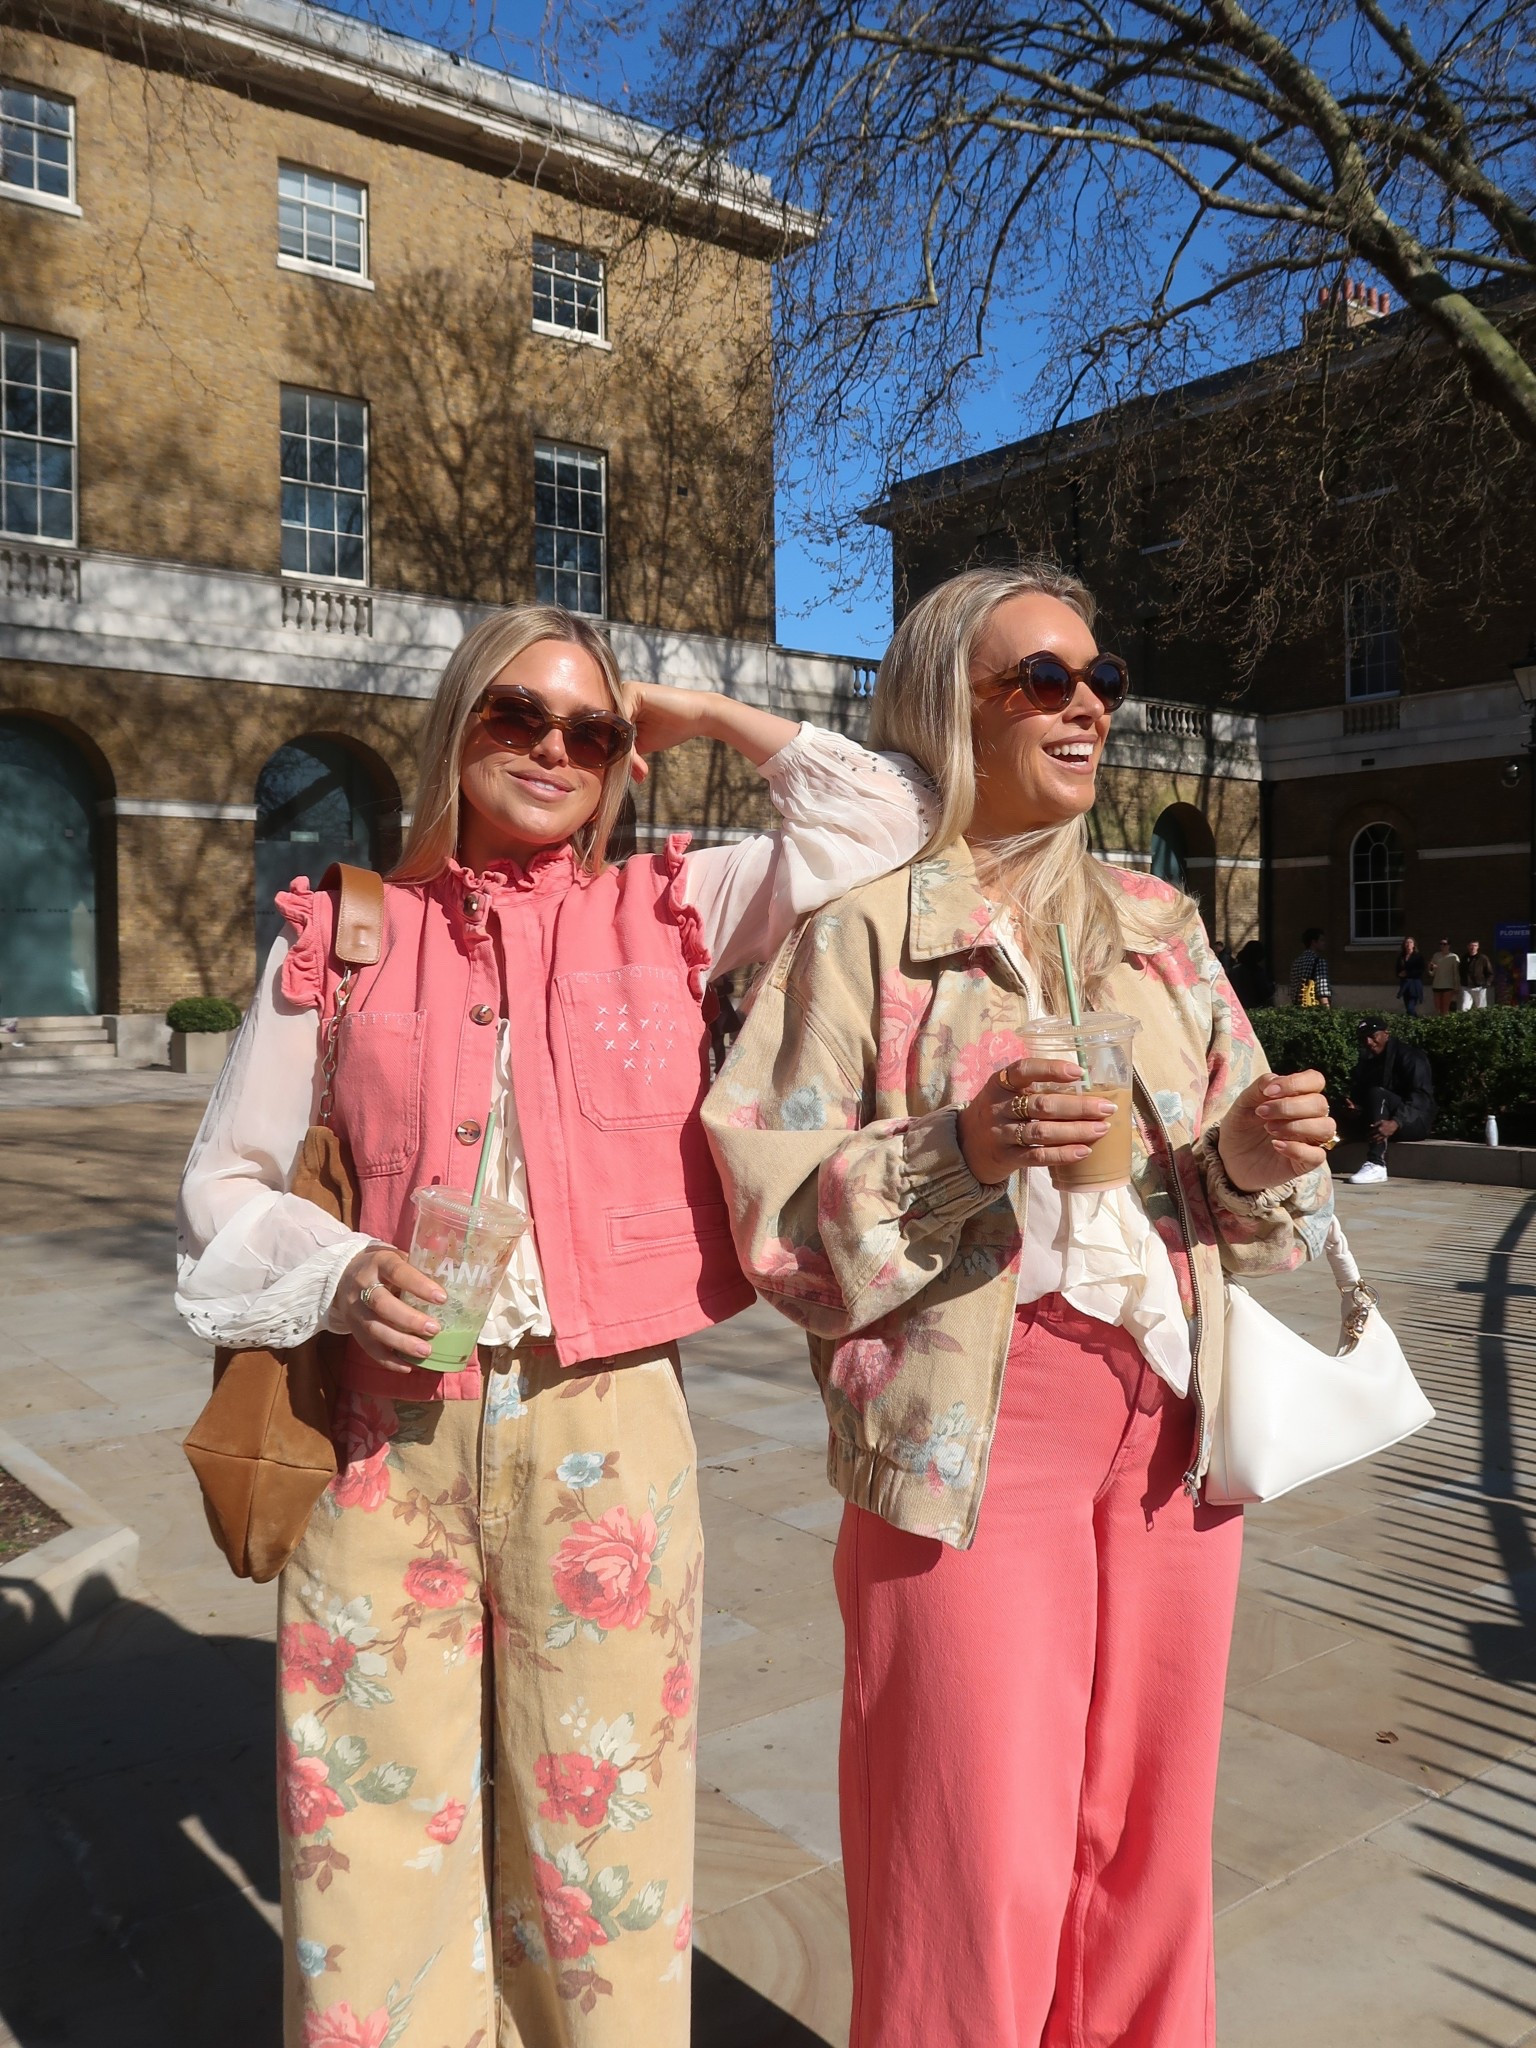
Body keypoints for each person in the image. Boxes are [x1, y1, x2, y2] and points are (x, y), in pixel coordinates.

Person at [174, 604, 936, 2048]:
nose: (553, 749)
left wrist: (697, 715)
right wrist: (340, 1272)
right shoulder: (343, 931)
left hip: (608, 1428)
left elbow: (888, 824)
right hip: (379, 1437)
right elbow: (222, 1182)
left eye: (588, 732)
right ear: (456, 727)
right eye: (514, 713)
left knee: (607, 1849)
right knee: (371, 1841)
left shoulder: (672, 901)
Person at [705, 563, 1336, 2048]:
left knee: (1150, 1844)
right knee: (970, 1855)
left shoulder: (1159, 924)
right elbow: (773, 1229)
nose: (1089, 706)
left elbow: (1254, 1207)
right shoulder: (862, 936)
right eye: (1041, 680)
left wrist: (1250, 1159)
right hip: (971, 1439)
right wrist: (961, 1152)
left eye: (1100, 678)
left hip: (1176, 1425)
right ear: (951, 709)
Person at [1341, 1015, 1436, 1184]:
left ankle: (1377, 1164)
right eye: (1364, 1038)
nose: (1369, 1042)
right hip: (1383, 1120)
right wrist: (1356, 1109)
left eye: (1373, 1036)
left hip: (1414, 1121)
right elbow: (1364, 1095)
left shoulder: (1411, 1057)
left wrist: (1396, 1122)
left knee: (1378, 1093)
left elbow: (1421, 1098)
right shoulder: (1367, 1061)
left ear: (1386, 1034)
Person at [1289, 925, 1331, 1007]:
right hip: (1313, 1006)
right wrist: (1327, 1009)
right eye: (1322, 940)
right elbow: (1322, 990)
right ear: (1313, 942)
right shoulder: (1319, 961)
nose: (1324, 943)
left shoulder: (1297, 961)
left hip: (1297, 1006)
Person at [1230, 937, 1275, 1011]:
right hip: (1255, 1009)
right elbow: (1266, 992)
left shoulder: (1234, 970)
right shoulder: (1257, 971)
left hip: (1237, 1008)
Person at [1395, 935, 1426, 1018]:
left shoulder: (1418, 957)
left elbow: (1421, 970)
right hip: (1405, 984)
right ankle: (1411, 1023)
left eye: (1410, 942)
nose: (1408, 944)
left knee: (1410, 1008)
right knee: (1407, 1006)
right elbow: (1397, 969)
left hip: (1414, 984)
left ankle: (1416, 1020)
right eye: (1407, 942)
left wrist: (1408, 973)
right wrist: (1399, 974)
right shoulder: (1401, 957)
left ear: (1414, 945)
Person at [1429, 936, 1461, 1014]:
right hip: (1437, 984)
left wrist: (1456, 986)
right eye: (1441, 944)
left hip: (1448, 985)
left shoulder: (1454, 957)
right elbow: (1432, 973)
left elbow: (1456, 972)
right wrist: (1431, 967)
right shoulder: (1436, 955)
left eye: (1444, 944)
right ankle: (1438, 1023)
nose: (1442, 946)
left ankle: (1445, 1024)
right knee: (1437, 1008)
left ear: (1449, 945)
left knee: (1445, 1008)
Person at [1462, 937, 1493, 1010]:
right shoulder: (1464, 958)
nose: (1473, 948)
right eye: (1471, 946)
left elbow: (1489, 972)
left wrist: (1487, 983)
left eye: (1475, 946)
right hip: (1467, 987)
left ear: (1478, 947)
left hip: (1480, 987)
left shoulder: (1483, 958)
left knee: (1481, 1008)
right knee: (1464, 1008)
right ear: (1468, 946)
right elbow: (1460, 970)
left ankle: (1481, 1021)